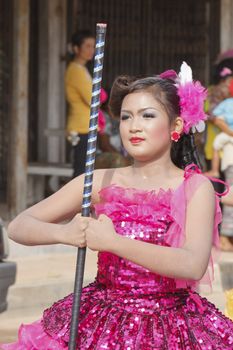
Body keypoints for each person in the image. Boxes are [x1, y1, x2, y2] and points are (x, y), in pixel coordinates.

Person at [2, 62, 233, 349]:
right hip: (98, 321)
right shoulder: (100, 180)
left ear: (176, 125)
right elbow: (19, 226)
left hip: (173, 326)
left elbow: (192, 264)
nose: (134, 126)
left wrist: (114, 242)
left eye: (147, 116)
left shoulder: (195, 188)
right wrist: (64, 233)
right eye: (126, 117)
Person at [65, 30, 95, 177]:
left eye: (93, 46)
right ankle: (76, 200)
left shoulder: (81, 69)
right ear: (76, 49)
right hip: (81, 127)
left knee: (83, 169)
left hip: (84, 125)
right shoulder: (76, 71)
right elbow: (92, 99)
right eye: (87, 46)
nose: (92, 50)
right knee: (80, 172)